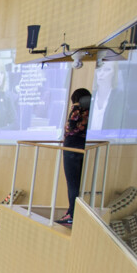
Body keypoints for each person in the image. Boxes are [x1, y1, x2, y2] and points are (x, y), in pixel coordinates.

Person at [57, 88, 91, 225]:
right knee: (79, 183)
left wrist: (75, 108)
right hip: (83, 147)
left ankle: (72, 213)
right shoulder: (90, 110)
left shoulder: (77, 109)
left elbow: (71, 128)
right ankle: (75, 211)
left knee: (72, 183)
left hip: (71, 149)